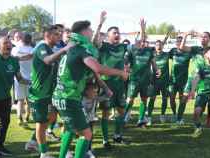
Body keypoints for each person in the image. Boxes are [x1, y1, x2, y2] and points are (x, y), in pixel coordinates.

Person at [52, 20, 128, 158]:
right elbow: (98, 68)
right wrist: (121, 73)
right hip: (69, 97)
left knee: (69, 129)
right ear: (84, 32)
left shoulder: (72, 47)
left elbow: (92, 72)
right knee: (86, 134)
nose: (92, 32)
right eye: (90, 30)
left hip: (60, 96)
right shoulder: (81, 49)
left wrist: (104, 87)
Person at [27, 25, 72, 158]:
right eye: (56, 34)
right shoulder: (42, 47)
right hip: (39, 93)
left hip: (50, 93)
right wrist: (64, 49)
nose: (59, 36)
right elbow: (47, 60)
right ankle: (44, 153)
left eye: (59, 34)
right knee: (41, 123)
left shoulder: (51, 49)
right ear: (47, 35)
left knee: (52, 118)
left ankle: (35, 141)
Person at [93, 11, 131, 148]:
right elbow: (94, 41)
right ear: (108, 36)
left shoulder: (123, 47)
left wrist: (143, 30)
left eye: (118, 32)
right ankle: (105, 140)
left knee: (121, 110)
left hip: (119, 85)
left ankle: (117, 136)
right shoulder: (104, 46)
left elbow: (139, 44)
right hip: (106, 84)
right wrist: (100, 24)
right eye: (114, 32)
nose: (117, 34)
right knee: (106, 113)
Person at [124, 18, 161, 127]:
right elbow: (126, 62)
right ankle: (124, 117)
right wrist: (142, 29)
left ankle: (140, 119)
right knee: (130, 99)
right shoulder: (133, 50)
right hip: (134, 79)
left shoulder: (150, 51)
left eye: (145, 41)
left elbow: (153, 62)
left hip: (146, 79)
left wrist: (157, 69)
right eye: (141, 40)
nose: (143, 42)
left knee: (144, 99)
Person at [0, 36, 29, 156]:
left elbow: (20, 79)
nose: (8, 45)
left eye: (10, 43)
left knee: (5, 122)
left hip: (5, 97)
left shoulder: (14, 61)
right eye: (5, 43)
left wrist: (31, 82)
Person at [188, 47, 210, 142]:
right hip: (202, 93)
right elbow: (196, 79)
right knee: (196, 113)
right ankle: (198, 128)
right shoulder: (202, 67)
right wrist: (192, 91)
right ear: (206, 55)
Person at [11, 33, 33, 127]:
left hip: (18, 77)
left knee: (20, 100)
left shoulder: (15, 49)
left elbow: (13, 59)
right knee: (29, 100)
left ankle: (20, 118)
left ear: (21, 39)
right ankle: (27, 117)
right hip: (30, 78)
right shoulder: (32, 50)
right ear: (30, 40)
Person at [147, 40, 170, 126]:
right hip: (154, 81)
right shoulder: (151, 55)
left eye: (160, 45)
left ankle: (162, 115)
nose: (159, 46)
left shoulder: (167, 55)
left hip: (165, 81)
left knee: (164, 99)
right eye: (157, 45)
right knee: (152, 99)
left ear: (163, 46)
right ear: (155, 46)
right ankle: (149, 117)